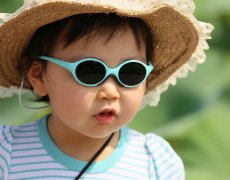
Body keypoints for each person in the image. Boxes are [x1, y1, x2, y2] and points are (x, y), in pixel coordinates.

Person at [0, 0, 213, 179]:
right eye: (90, 71)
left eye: (130, 71)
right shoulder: (6, 153)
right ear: (39, 76)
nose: (110, 91)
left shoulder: (155, 162)